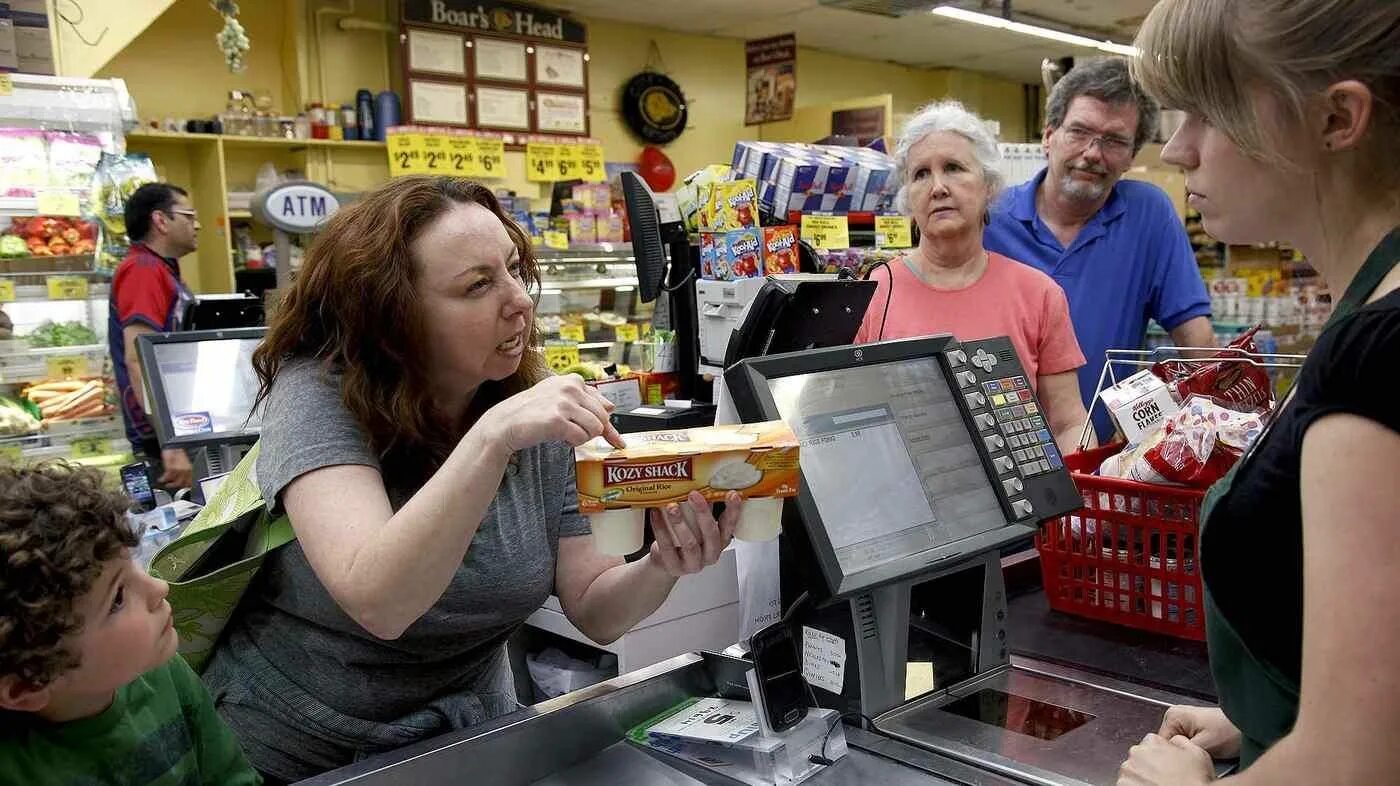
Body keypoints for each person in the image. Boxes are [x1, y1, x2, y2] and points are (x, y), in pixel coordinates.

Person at [201, 176, 742, 782]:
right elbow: (380, 600)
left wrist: (664, 563)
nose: (519, 300)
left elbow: (594, 606)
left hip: (465, 741)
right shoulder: (321, 396)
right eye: (477, 285)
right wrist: (490, 439)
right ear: (392, 316)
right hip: (304, 754)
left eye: (513, 268)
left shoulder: (529, 399)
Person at [1116, 1, 1400, 784]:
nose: (1177, 149)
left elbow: (1357, 768)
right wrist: (1269, 717)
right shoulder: (1367, 316)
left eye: (1210, 111)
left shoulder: (1376, 359)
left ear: (1337, 118)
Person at [985, 57, 1215, 441]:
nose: (1093, 152)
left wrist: (1217, 429)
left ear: (1130, 158)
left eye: (1114, 141)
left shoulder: (1148, 215)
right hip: (996, 450)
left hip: (1098, 461)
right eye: (1079, 132)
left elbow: (1197, 340)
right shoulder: (990, 219)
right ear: (1048, 136)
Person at [0, 461, 259, 785]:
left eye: (134, 564)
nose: (159, 588)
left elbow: (231, 778)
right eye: (118, 598)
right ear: (28, 686)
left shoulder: (169, 674)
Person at [855, 100, 1090, 453]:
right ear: (908, 198)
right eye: (920, 174)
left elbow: (1069, 424)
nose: (937, 187)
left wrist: (1075, 494)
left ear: (989, 185)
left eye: (953, 168)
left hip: (1020, 501)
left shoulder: (1039, 294)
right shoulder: (873, 293)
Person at [110, 182, 199, 490]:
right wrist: (169, 440)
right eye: (188, 216)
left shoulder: (162, 268)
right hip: (159, 439)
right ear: (161, 220)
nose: (196, 224)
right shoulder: (143, 270)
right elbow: (138, 358)